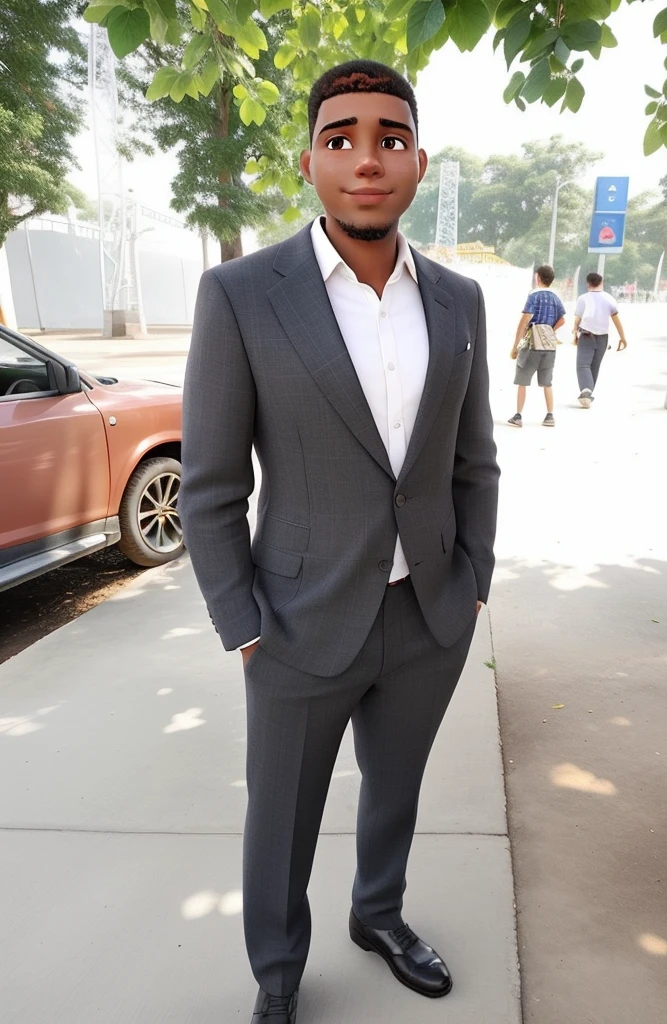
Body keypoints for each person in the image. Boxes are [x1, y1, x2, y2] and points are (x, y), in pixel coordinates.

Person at [179, 61, 499, 1024]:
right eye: (343, 138)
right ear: (311, 162)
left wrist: (473, 579)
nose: (368, 158)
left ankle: (379, 915)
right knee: (280, 821)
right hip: (295, 622)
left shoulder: (459, 300)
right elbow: (211, 485)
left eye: (390, 139)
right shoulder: (240, 294)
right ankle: (279, 974)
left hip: (427, 614)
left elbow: (472, 459)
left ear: (419, 163)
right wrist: (243, 622)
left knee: (393, 794)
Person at [508, 264, 566, 428]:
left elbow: (525, 318)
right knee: (547, 382)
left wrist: (515, 345)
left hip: (532, 345)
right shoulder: (555, 297)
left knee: (523, 380)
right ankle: (549, 415)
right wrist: (549, 330)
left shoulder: (533, 295)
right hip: (549, 346)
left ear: (537, 277)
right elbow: (562, 319)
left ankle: (518, 416)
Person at [572, 272, 628, 407]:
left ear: (588, 284)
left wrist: (574, 333)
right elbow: (616, 319)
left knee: (583, 365)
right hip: (603, 338)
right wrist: (622, 338)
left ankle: (586, 391)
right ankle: (588, 394)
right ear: (601, 282)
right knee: (594, 366)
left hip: (586, 335)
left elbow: (577, 319)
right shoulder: (609, 298)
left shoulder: (583, 298)